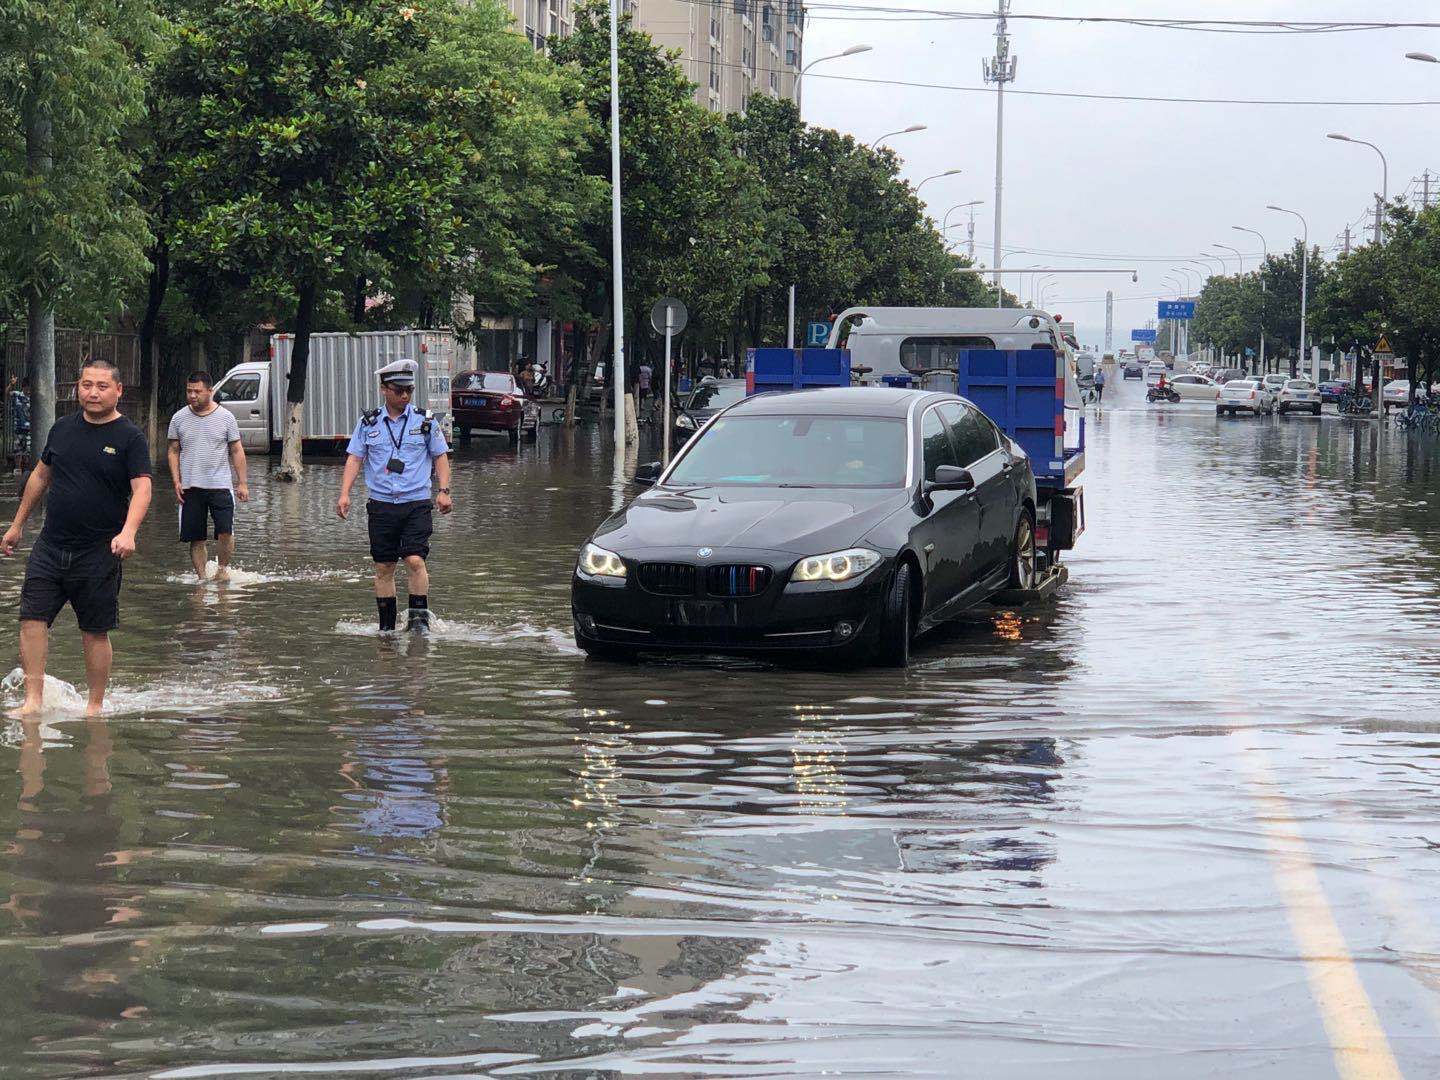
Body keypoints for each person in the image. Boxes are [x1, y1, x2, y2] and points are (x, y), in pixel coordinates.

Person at [1, 360, 152, 716]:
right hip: (50, 546)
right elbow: (40, 476)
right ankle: (32, 701)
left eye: (101, 386)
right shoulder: (62, 429)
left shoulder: (130, 437)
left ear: (118, 391)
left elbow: (142, 488)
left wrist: (128, 532)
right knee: (31, 619)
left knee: (94, 630)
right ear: (77, 388)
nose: (93, 392)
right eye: (86, 385)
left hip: (99, 551)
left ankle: (94, 706)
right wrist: (17, 524)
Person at [335, 359, 453, 632]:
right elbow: (355, 458)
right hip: (381, 505)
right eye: (398, 390)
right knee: (384, 567)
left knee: (414, 559)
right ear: (384, 389)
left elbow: (440, 457)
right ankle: (386, 628)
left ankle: (419, 623)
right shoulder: (369, 423)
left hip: (416, 503)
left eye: (409, 390)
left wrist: (444, 490)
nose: (404, 395)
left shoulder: (425, 421)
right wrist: (344, 494)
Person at [167, 370, 249, 581]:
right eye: (189, 391)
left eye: (197, 391)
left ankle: (222, 570)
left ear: (210, 391)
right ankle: (202, 580)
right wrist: (176, 481)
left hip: (220, 485)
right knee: (196, 538)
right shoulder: (178, 418)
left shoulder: (226, 417)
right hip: (190, 487)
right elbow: (174, 450)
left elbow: (237, 450)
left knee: (225, 532)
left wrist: (243, 483)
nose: (192, 396)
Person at [9, 375, 31, 469]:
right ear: (24, 386)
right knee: (17, 452)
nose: (30, 389)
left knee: (28, 452)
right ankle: (17, 471)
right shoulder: (17, 395)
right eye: (29, 387)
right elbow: (7, 393)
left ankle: (26, 472)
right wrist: (11, 384)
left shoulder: (34, 398)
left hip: (30, 429)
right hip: (19, 428)